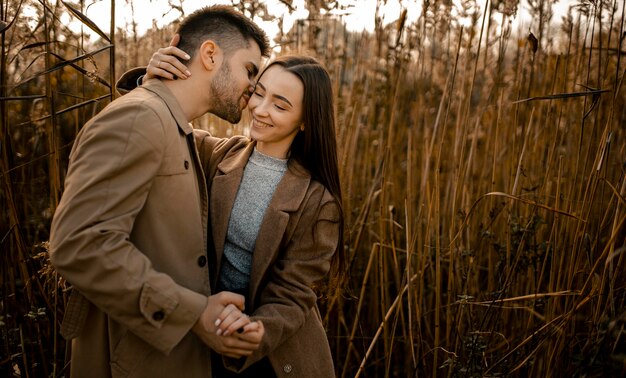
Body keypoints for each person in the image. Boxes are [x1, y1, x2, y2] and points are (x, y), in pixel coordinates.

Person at [48, 6, 271, 377]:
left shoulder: (173, 127)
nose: (253, 87)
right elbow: (78, 243)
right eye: (250, 69)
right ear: (211, 54)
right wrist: (194, 313)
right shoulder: (141, 118)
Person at [118, 45, 346, 377]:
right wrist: (149, 80)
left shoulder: (318, 202)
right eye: (259, 94)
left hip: (269, 355)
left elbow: (294, 292)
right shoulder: (217, 154)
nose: (261, 110)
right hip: (201, 332)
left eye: (280, 105)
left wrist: (257, 330)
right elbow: (156, 125)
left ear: (306, 122)